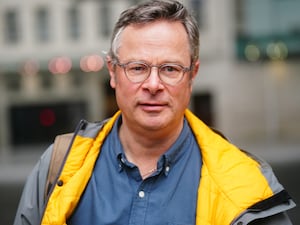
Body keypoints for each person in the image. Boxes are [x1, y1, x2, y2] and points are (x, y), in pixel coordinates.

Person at [14, 0, 295, 224]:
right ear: (113, 72)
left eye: (170, 69)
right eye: (137, 68)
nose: (152, 85)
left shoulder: (246, 183)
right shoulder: (59, 165)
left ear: (192, 74)